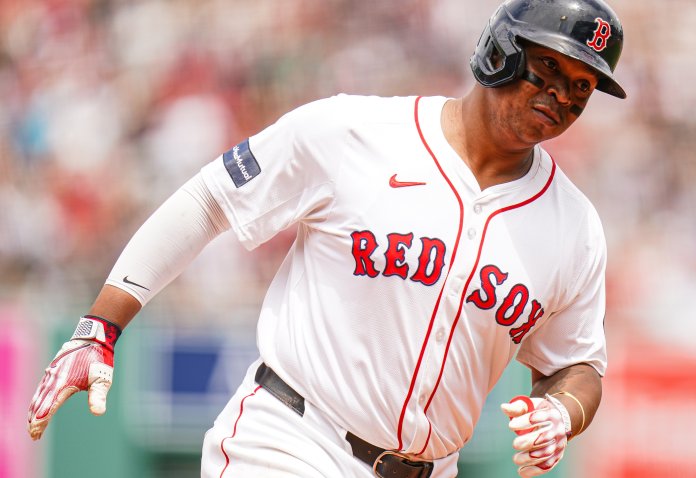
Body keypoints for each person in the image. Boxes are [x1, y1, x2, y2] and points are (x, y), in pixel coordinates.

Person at [28, 0, 626, 476]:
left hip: (431, 469)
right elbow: (211, 201)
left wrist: (560, 411)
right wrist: (100, 327)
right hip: (291, 438)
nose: (563, 94)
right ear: (500, 50)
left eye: (582, 85)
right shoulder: (353, 131)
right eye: (549, 67)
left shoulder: (573, 226)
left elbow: (577, 364)